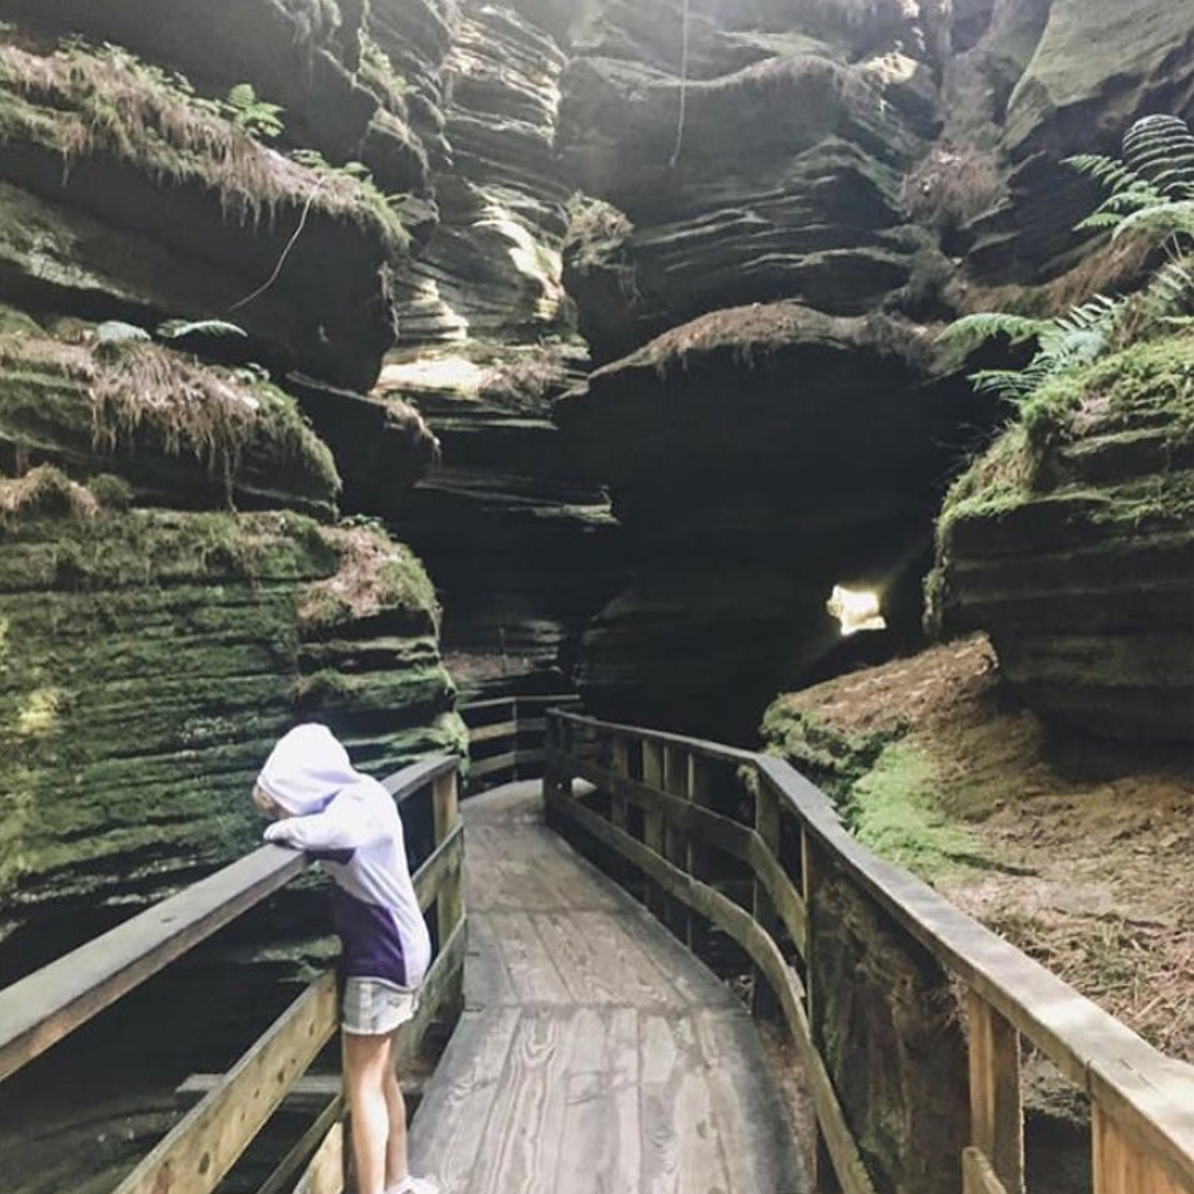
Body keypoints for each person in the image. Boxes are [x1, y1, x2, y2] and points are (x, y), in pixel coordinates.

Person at [252, 723, 438, 1194]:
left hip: (383, 957)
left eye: (283, 796)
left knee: (363, 1085)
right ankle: (399, 1182)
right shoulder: (365, 791)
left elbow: (317, 831)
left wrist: (278, 824)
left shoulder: (349, 815)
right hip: (401, 948)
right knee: (383, 1076)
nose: (280, 807)